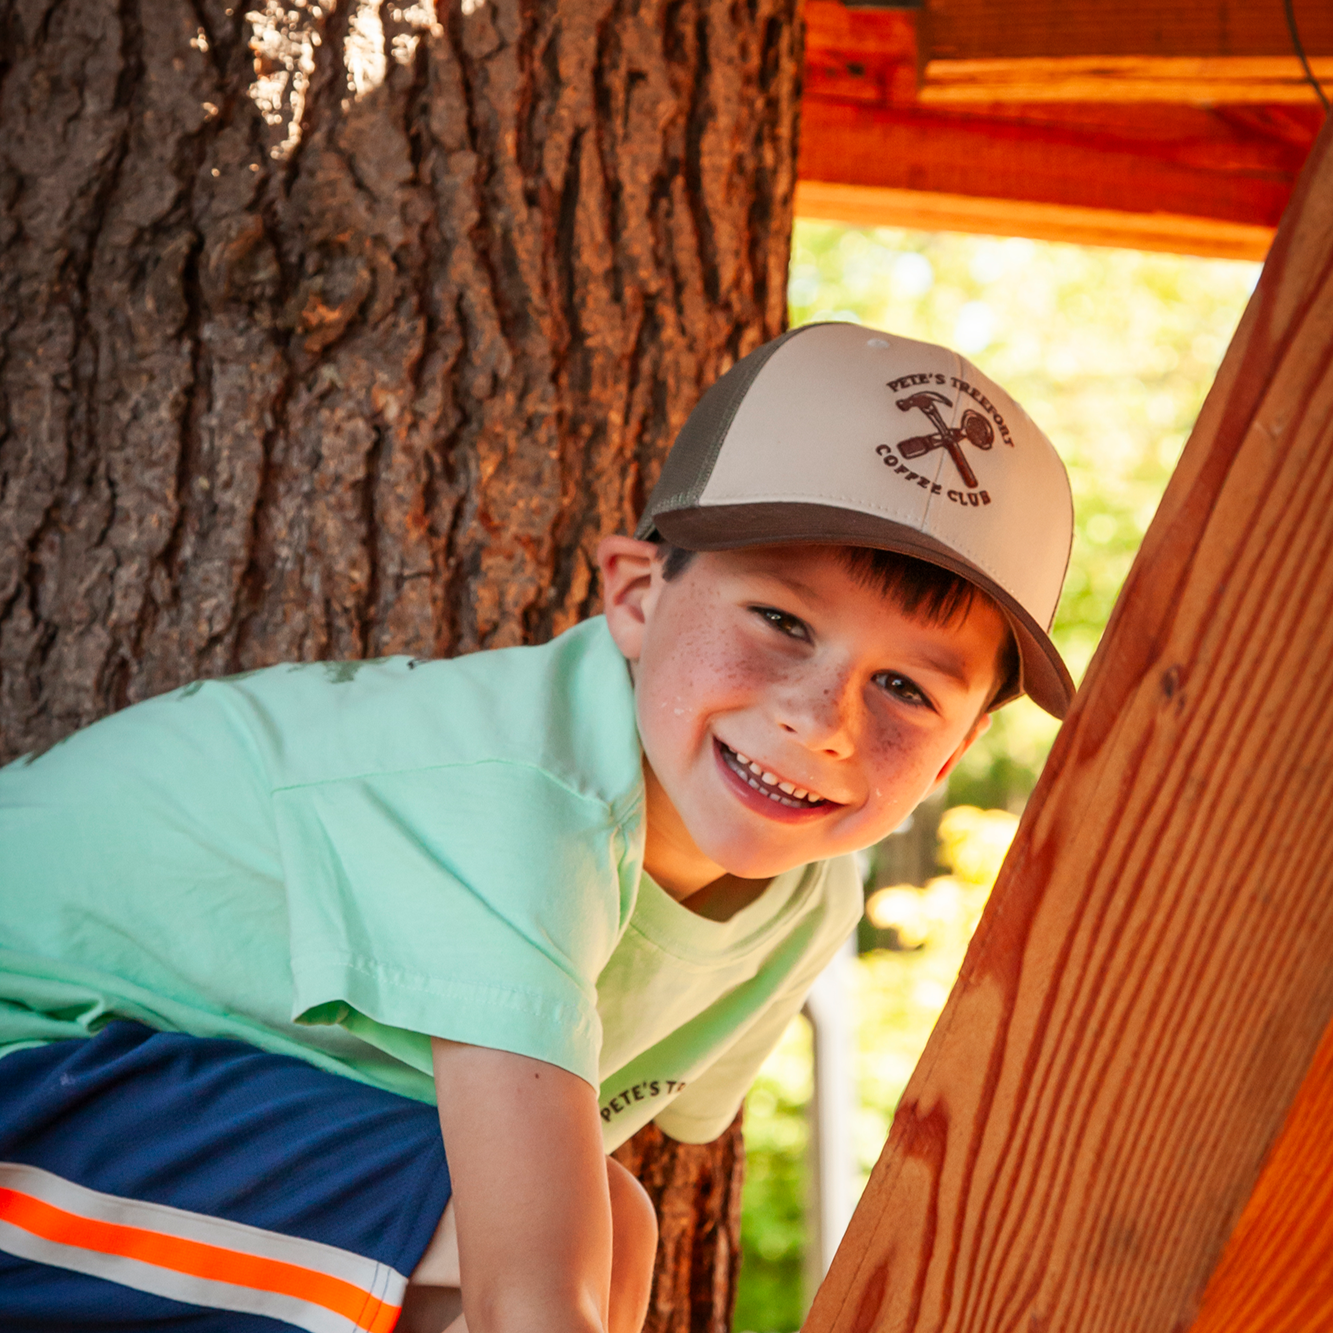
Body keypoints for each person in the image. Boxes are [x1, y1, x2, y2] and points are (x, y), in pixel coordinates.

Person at [0, 322, 1074, 1333]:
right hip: (31, 1076)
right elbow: (528, 1291)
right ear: (638, 597)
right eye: (781, 621)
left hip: (143, 1109)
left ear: (953, 755)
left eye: (903, 686)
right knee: (534, 1253)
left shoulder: (804, 898)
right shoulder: (521, 803)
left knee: (612, 1223)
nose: (819, 719)